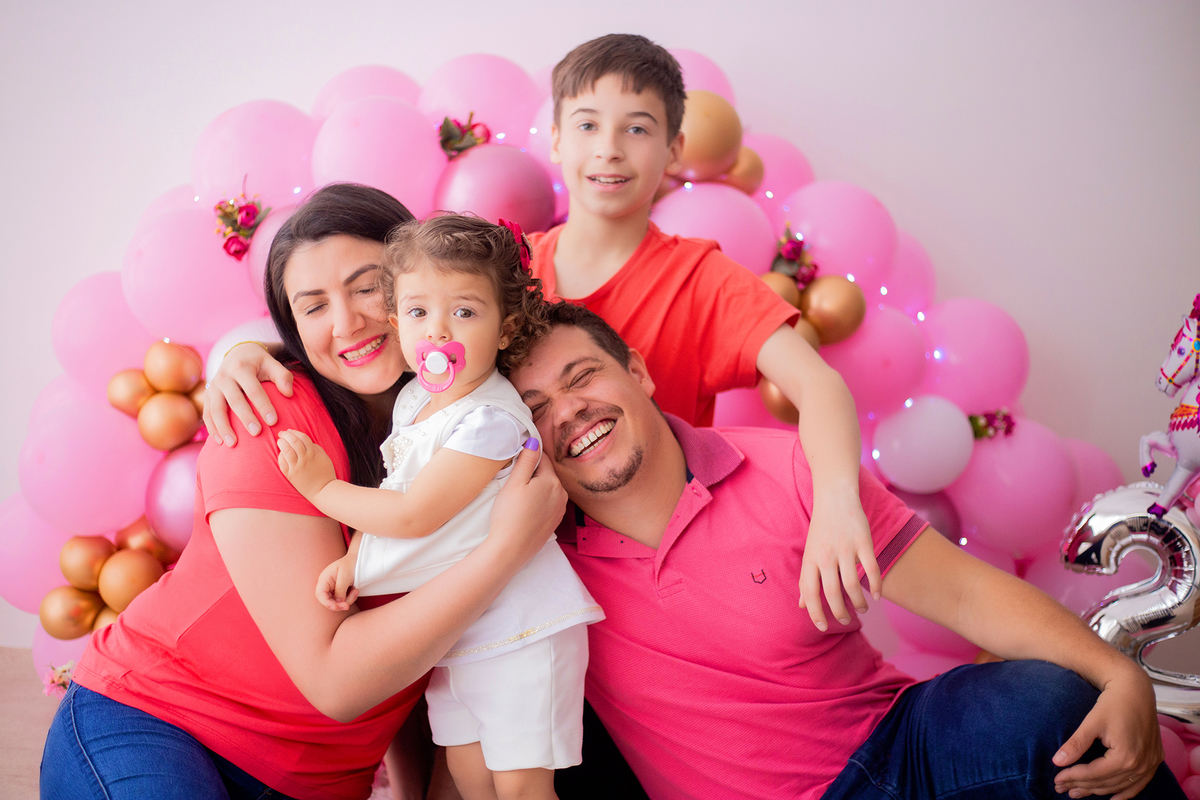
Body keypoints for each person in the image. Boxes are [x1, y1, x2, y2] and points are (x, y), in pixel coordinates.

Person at [208, 34, 881, 637]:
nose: (609, 148)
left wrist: (839, 508)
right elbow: (397, 341)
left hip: (648, 564)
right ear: (556, 139)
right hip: (512, 563)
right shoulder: (503, 270)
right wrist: (247, 353)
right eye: (587, 125)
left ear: (676, 150)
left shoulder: (701, 276)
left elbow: (817, 386)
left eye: (637, 128)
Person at [506, 302, 1183, 800]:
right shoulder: (537, 556)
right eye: (535, 407)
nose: (567, 411)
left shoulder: (792, 468)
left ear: (638, 372)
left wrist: (1120, 677)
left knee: (1053, 706)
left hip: (897, 750)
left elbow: (966, 594)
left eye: (583, 377)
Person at [40, 185, 566, 800]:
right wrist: (506, 550)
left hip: (316, 779)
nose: (346, 324)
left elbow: (424, 649)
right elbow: (338, 681)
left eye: (368, 286)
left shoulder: (470, 416)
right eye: (313, 307)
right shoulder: (269, 416)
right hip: (161, 718)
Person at [275, 214, 602, 800]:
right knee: (470, 780)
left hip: (521, 629)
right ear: (398, 322)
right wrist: (356, 562)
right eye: (420, 313)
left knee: (523, 787)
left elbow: (415, 514)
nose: (439, 332)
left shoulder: (490, 419)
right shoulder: (416, 399)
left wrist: (322, 491)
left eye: (466, 313)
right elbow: (398, 489)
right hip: (457, 630)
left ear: (505, 329)